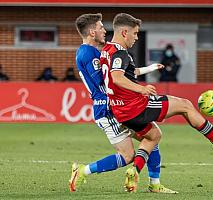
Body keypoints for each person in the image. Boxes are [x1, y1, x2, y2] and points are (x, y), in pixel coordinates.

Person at [100, 13, 213, 192]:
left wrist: (150, 68)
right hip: (135, 106)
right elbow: (117, 77)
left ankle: (134, 170)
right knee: (185, 105)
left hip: (121, 111)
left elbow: (126, 72)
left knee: (153, 136)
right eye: (135, 33)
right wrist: (142, 89)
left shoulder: (107, 50)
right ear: (124, 32)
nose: (137, 37)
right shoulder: (120, 52)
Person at [69, 13, 177, 194]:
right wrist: (137, 91)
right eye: (101, 26)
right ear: (91, 31)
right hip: (107, 109)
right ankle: (82, 171)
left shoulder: (97, 51)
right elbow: (110, 81)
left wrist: (148, 69)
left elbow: (122, 73)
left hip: (116, 106)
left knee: (152, 137)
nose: (104, 30)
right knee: (129, 155)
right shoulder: (88, 53)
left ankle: (155, 184)